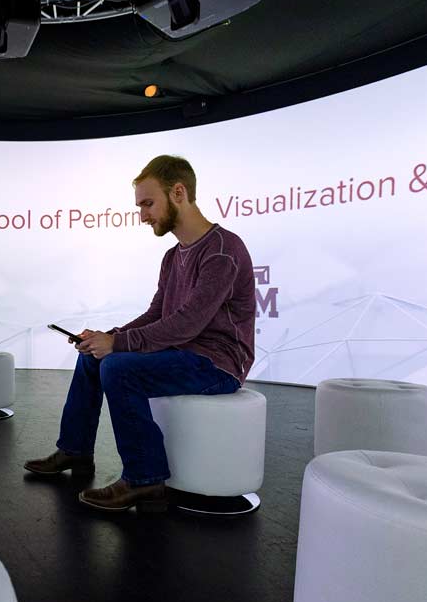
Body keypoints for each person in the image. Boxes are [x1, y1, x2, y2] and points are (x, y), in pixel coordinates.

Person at [24, 155, 257, 513]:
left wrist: (116, 344)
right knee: (93, 358)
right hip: (183, 352)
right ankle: (76, 450)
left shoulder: (223, 250)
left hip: (218, 364)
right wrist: (107, 337)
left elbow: (188, 323)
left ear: (178, 192)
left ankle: (145, 480)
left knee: (118, 368)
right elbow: (156, 315)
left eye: (148, 204)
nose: (143, 215)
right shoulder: (172, 256)